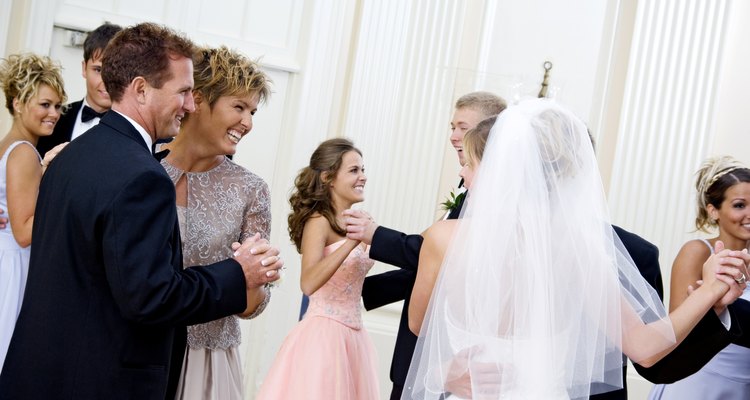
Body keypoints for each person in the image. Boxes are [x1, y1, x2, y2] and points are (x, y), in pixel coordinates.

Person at [0, 23, 283, 400]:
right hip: (106, 375)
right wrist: (237, 272)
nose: (187, 103)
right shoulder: (144, 176)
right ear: (141, 89)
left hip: (43, 371)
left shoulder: (70, 156)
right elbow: (150, 297)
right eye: (183, 92)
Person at [402, 98, 749, 399]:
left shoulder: (443, 238)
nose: (463, 176)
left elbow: (419, 326)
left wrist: (710, 294)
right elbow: (645, 347)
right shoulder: (573, 252)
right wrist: (444, 372)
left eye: (469, 164)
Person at [343, 91, 506, 400]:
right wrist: (364, 290)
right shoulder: (472, 190)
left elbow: (433, 253)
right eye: (452, 126)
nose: (454, 136)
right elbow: (435, 265)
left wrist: (376, 235)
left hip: (449, 361)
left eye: (462, 127)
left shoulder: (487, 204)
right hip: (434, 360)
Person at [155, 45, 273, 400]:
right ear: (199, 101)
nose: (248, 123)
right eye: (238, 107)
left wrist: (255, 279)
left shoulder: (251, 190)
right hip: (141, 352)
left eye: (252, 111)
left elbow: (254, 305)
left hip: (208, 364)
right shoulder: (144, 169)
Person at [256, 138, 379, 399]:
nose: (363, 177)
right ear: (328, 178)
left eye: (363, 169)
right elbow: (308, 283)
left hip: (355, 338)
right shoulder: (318, 221)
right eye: (354, 170)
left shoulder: (356, 220)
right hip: (325, 337)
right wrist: (352, 242)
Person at [647, 156, 750, 399]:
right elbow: (676, 332)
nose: (749, 214)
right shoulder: (697, 252)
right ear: (713, 210)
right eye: (739, 205)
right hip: (700, 381)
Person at [0, 53, 66, 373]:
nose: (54, 114)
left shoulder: (7, 145)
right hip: (14, 266)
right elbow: (24, 232)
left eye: (57, 106)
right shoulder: (24, 152)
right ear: (17, 103)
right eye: (45, 104)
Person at [36, 22, 122, 158]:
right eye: (98, 70)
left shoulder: (131, 129)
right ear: (84, 68)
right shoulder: (55, 119)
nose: (106, 81)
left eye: (114, 71)